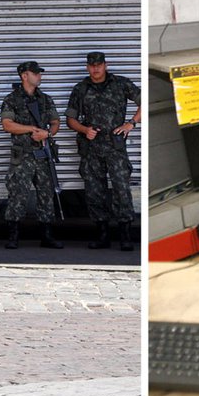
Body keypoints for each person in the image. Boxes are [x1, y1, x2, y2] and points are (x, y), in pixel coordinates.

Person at [66, 52, 141, 251]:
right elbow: (70, 119)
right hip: (91, 149)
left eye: (99, 65)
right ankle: (103, 235)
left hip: (115, 148)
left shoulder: (121, 84)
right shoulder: (81, 89)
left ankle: (125, 236)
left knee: (121, 190)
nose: (96, 69)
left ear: (105, 65)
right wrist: (84, 130)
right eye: (92, 65)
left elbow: (143, 101)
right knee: (94, 193)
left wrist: (131, 123)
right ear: (87, 67)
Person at [0, 61, 62, 250]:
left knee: (46, 195)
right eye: (35, 73)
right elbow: (7, 124)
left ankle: (47, 236)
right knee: (18, 195)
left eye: (39, 73)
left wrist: (47, 134)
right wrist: (31, 129)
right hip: (23, 155)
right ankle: (13, 236)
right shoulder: (12, 99)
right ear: (24, 76)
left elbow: (56, 122)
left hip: (43, 154)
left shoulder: (45, 99)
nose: (39, 76)